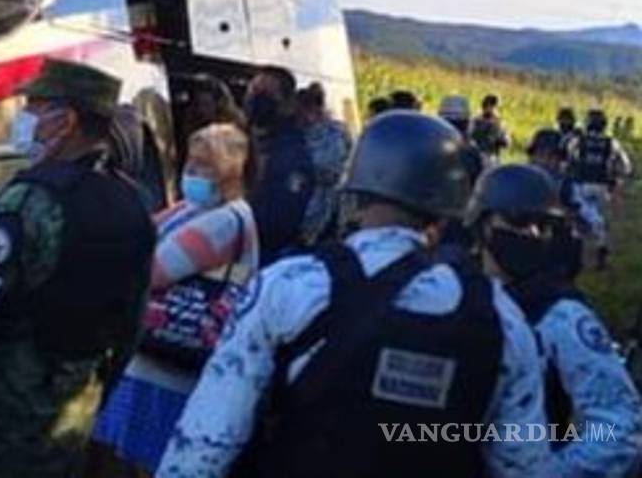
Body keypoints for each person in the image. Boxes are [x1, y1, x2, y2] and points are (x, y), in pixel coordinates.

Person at [156, 111, 549, 478]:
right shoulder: (500, 317)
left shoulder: (291, 285)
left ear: (356, 191)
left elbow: (206, 442)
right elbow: (524, 461)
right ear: (452, 208)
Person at [0, 59, 155, 478]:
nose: (24, 118)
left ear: (66, 121)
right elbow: (130, 329)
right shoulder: (134, 207)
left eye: (34, 107)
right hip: (64, 433)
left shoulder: (27, 204)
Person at [91, 124, 259, 476]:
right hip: (151, 363)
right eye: (190, 164)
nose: (192, 174)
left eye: (204, 167)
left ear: (231, 173)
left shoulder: (225, 222)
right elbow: (138, 233)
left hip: (169, 373)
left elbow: (147, 272)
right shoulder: (194, 208)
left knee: (138, 463)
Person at [469, 164, 642, 477]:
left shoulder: (559, 313)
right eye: (520, 221)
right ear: (483, 225)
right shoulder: (448, 296)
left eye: (545, 225)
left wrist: (552, 472)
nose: (534, 234)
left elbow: (619, 423)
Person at [242, 66, 315, 264]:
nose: (256, 100)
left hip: (266, 259)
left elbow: (279, 222)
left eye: (265, 95)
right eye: (252, 92)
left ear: (286, 105)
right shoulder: (240, 141)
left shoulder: (293, 157)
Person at [568, 109, 632, 270]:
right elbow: (625, 166)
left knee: (579, 218)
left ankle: (575, 256)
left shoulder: (579, 140)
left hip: (581, 184)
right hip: (603, 186)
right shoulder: (611, 142)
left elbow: (569, 158)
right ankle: (601, 256)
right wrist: (617, 179)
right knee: (601, 223)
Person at [296, 82, 353, 244]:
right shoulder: (339, 131)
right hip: (321, 207)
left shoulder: (335, 133)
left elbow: (334, 170)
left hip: (322, 208)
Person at [526, 129, 583, 278]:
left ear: (560, 160)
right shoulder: (522, 181)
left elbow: (579, 217)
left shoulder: (567, 184)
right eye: (540, 155)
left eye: (552, 157)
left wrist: (560, 212)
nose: (545, 161)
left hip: (557, 246)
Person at [471, 94, 510, 167]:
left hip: (475, 157)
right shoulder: (498, 123)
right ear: (491, 106)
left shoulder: (474, 120)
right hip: (489, 159)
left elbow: (505, 143)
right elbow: (506, 143)